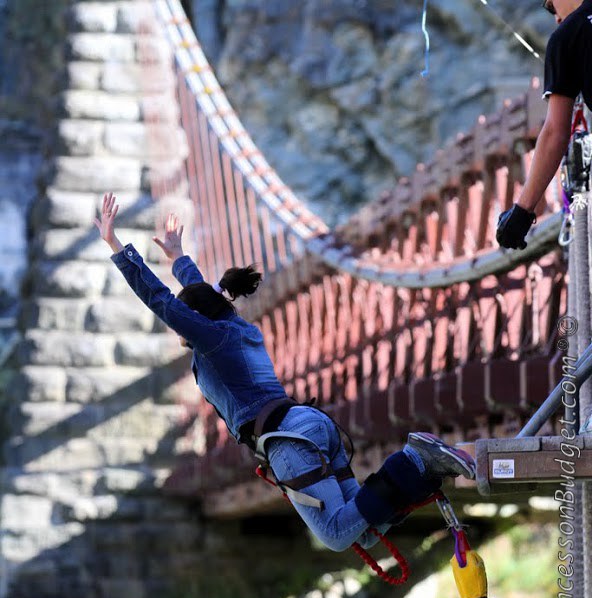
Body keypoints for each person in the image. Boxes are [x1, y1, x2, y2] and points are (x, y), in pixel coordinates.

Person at [95, 192, 475, 552]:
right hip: (311, 423)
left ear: (193, 321)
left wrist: (117, 247)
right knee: (365, 535)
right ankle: (424, 470)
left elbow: (160, 301)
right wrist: (179, 258)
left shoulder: (210, 339)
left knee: (338, 536)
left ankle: (414, 459)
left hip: (289, 440)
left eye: (182, 324)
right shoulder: (236, 327)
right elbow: (201, 295)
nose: (177, 330)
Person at [496, 0, 592, 249]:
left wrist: (521, 212)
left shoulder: (567, 37)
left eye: (550, 7)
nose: (556, 19)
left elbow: (554, 133)